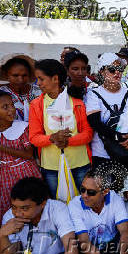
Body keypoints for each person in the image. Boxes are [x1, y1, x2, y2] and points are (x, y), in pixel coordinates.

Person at [29, 59, 92, 198]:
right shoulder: (36, 105)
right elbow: (34, 137)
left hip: (79, 162)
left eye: (41, 79)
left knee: (85, 201)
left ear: (55, 79)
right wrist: (53, 138)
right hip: (51, 165)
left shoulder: (77, 101)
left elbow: (88, 133)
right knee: (58, 204)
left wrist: (68, 141)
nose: (38, 83)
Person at [0, 177, 78, 254]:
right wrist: (2, 236)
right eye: (14, 207)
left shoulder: (57, 208)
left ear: (43, 203)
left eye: (25, 208)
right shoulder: (9, 217)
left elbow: (70, 246)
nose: (18, 213)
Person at [85, 52, 128, 171]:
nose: (117, 73)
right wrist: (119, 138)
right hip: (102, 153)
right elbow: (95, 123)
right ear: (102, 71)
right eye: (112, 69)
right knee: (104, 189)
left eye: (120, 69)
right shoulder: (94, 94)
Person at [68, 168, 128, 254]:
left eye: (91, 192)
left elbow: (125, 231)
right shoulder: (74, 205)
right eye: (82, 189)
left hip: (112, 245)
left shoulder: (115, 198)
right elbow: (84, 242)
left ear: (105, 191)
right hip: (90, 248)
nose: (84, 195)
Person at [0, 90, 41, 226]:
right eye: (5, 107)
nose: (11, 110)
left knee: (30, 204)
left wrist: (0, 148)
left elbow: (29, 154)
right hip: (4, 176)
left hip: (26, 172)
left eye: (12, 105)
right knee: (10, 208)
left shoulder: (22, 128)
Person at [0, 54, 42, 121]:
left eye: (24, 75)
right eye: (15, 75)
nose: (21, 80)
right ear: (6, 75)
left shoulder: (41, 92)